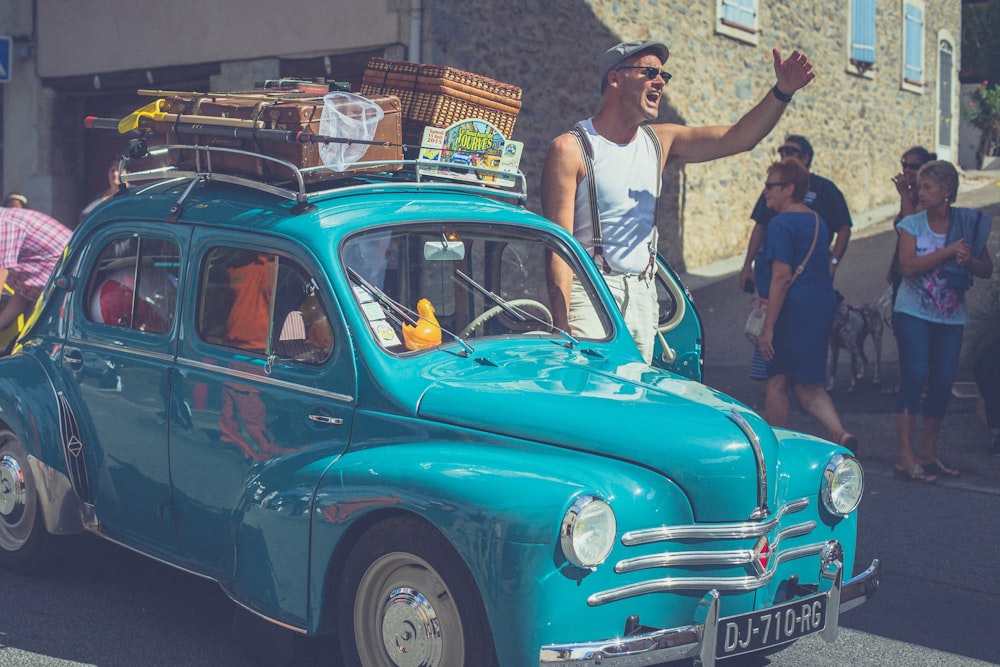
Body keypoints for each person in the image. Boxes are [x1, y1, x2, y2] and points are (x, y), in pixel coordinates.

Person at [542, 40, 815, 363]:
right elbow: (559, 247)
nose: (661, 81)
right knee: (592, 403)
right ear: (615, 79)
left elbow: (740, 138)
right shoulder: (571, 149)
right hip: (589, 295)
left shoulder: (660, 142)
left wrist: (782, 92)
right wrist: (562, 327)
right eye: (650, 73)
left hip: (644, 295)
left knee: (632, 401)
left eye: (663, 75)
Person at [892, 160, 993, 482]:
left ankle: (927, 452)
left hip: (950, 316)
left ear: (947, 192)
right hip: (913, 312)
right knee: (915, 375)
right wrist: (948, 251)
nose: (920, 193)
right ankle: (905, 457)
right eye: (920, 187)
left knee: (942, 382)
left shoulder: (967, 223)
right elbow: (906, 267)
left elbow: (986, 269)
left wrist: (969, 259)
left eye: (928, 187)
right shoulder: (912, 224)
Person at [753, 160, 857, 449]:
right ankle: (840, 434)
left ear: (789, 189)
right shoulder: (816, 220)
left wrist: (769, 328)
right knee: (808, 382)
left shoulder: (780, 223)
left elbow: (781, 277)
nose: (765, 192)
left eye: (771, 185)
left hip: (791, 312)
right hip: (818, 307)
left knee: (776, 381)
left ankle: (777, 450)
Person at [739, 135, 853, 293]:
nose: (784, 156)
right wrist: (746, 266)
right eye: (782, 152)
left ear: (805, 157)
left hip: (809, 273)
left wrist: (833, 262)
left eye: (790, 151)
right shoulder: (774, 190)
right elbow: (760, 225)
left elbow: (844, 228)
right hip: (771, 271)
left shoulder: (825, 189)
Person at [0, 207, 72, 334]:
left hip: (67, 295)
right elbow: (24, 295)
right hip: (50, 294)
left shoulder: (5, 225)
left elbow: (1, 273)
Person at [886, 146, 935, 299]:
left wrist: (903, 194)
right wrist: (893, 266)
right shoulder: (910, 194)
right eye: (904, 165)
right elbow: (902, 236)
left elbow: (911, 227)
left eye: (913, 167)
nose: (907, 170)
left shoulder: (926, 198)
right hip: (902, 267)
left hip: (920, 268)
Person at [80, 157, 124, 223]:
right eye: (112, 170)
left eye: (118, 170)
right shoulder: (100, 197)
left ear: (127, 173)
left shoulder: (132, 194)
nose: (115, 174)